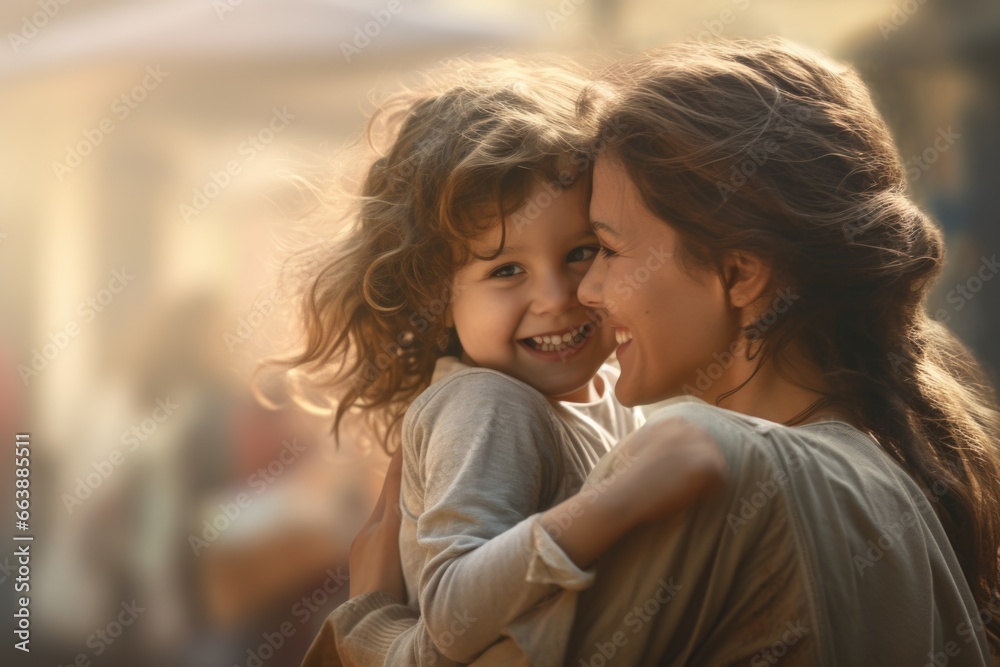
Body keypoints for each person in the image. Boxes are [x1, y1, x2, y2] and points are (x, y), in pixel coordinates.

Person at [352, 38, 1000, 665]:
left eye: (601, 248)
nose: (585, 291)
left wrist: (368, 618)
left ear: (741, 275)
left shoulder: (709, 462)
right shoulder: (893, 470)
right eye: (505, 269)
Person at [265, 57, 695, 666]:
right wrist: (616, 504)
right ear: (436, 298)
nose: (555, 297)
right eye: (506, 270)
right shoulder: (487, 404)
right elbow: (451, 613)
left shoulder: (608, 396)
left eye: (581, 252)